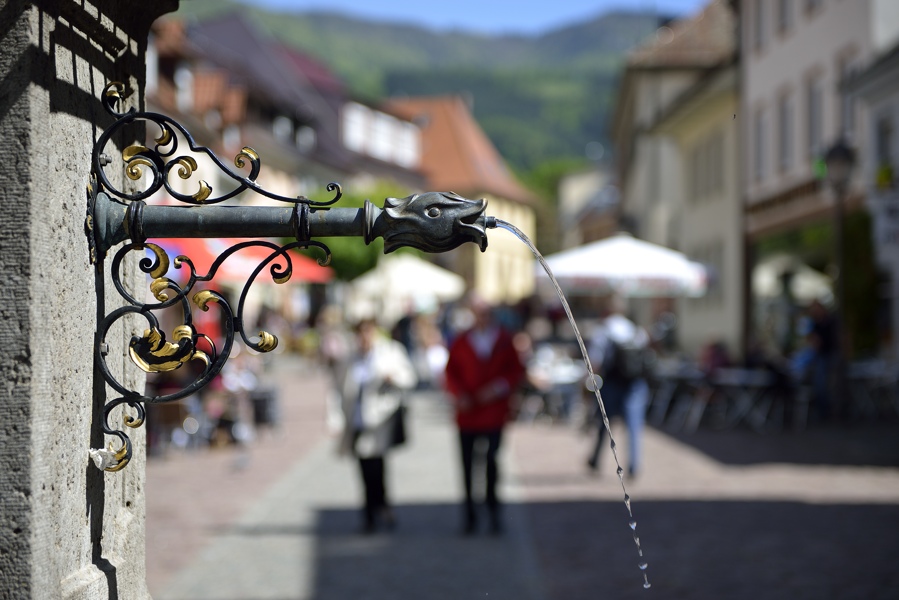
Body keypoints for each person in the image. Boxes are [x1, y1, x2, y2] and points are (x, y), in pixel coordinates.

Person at [444, 295, 525, 534]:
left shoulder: (503, 339)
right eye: (479, 314)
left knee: (491, 463)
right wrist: (460, 395)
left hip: (492, 413)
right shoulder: (462, 340)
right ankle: (470, 516)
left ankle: (493, 514)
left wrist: (498, 388)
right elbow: (450, 373)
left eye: (487, 314)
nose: (483, 319)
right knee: (467, 467)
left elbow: (515, 370)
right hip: (468, 414)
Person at [336, 319, 417, 533]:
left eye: (368, 332)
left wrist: (392, 377)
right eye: (361, 333)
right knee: (364, 469)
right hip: (357, 421)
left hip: (380, 420)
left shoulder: (390, 352)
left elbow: (409, 378)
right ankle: (371, 513)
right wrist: (336, 418)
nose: (364, 337)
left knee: (378, 466)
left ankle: (381, 507)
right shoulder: (350, 358)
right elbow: (338, 388)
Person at [586, 295, 650, 478]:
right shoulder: (635, 330)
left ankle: (596, 459)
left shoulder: (603, 330)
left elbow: (594, 361)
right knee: (634, 427)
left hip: (612, 383)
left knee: (604, 423)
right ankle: (633, 466)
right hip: (635, 384)